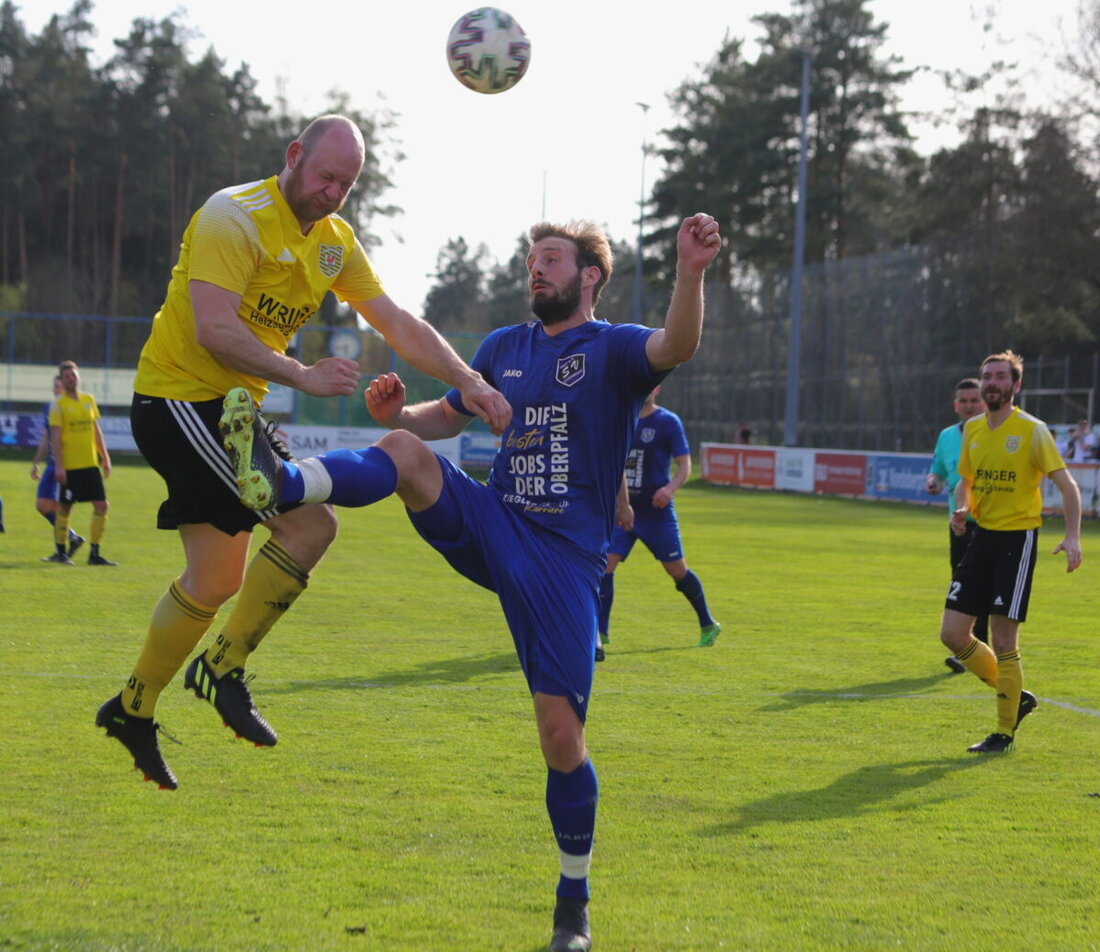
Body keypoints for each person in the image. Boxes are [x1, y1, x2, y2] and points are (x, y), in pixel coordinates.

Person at [222, 214, 722, 952]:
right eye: (532, 259)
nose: (536, 269)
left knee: (561, 738)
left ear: (589, 276)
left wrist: (691, 271)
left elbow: (676, 344)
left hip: (565, 561)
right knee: (402, 448)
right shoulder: (503, 349)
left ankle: (572, 907)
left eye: (551, 259)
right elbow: (446, 418)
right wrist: (401, 413)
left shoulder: (615, 349)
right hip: (497, 520)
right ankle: (283, 481)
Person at [94, 114, 510, 792]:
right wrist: (302, 375)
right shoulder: (233, 217)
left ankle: (133, 708)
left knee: (218, 578)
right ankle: (222, 668)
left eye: (347, 184)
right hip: (180, 399)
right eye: (326, 176)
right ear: (294, 155)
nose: (333, 192)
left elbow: (397, 321)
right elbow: (214, 329)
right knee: (306, 520)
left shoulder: (334, 242)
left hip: (232, 410)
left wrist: (469, 380)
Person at [938, 350, 1082, 754]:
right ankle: (1017, 697)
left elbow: (1067, 486)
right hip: (980, 537)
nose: (992, 383)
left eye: (1001, 377)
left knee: (1003, 639)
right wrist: (961, 508)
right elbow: (965, 481)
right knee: (952, 634)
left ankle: (1003, 732)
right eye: (987, 376)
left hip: (1017, 541)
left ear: (1015, 385)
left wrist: (1072, 536)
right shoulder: (973, 429)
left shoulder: (1033, 431)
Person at [596, 385, 720, 661]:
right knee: (605, 565)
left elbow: (685, 465)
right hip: (624, 509)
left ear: (657, 388)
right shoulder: (620, 418)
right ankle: (600, 633)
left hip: (657, 512)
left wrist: (669, 489)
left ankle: (708, 623)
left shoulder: (667, 422)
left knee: (676, 570)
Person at [925, 377, 987, 673]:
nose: (969, 406)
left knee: (984, 587)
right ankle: (971, 649)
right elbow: (937, 471)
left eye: (975, 400)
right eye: (964, 401)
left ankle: (979, 649)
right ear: (955, 405)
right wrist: (933, 482)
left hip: (990, 524)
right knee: (962, 586)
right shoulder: (947, 436)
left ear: (985, 402)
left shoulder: (994, 434)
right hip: (959, 524)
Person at [46, 361, 115, 566]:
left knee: (102, 505)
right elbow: (55, 438)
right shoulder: (58, 404)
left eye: (73, 375)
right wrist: (59, 466)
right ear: (62, 379)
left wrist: (105, 457)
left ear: (78, 377)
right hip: (70, 467)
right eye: (67, 376)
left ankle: (94, 554)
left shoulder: (88, 400)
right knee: (65, 508)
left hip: (90, 465)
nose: (71, 379)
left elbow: (96, 431)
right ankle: (61, 553)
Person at [31, 374, 85, 560]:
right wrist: (36, 462)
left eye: (59, 386)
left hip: (62, 465)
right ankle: (71, 538)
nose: (57, 390)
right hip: (51, 464)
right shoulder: (50, 407)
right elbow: (47, 436)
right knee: (42, 506)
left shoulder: (71, 408)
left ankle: (62, 550)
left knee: (56, 507)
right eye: (55, 386)